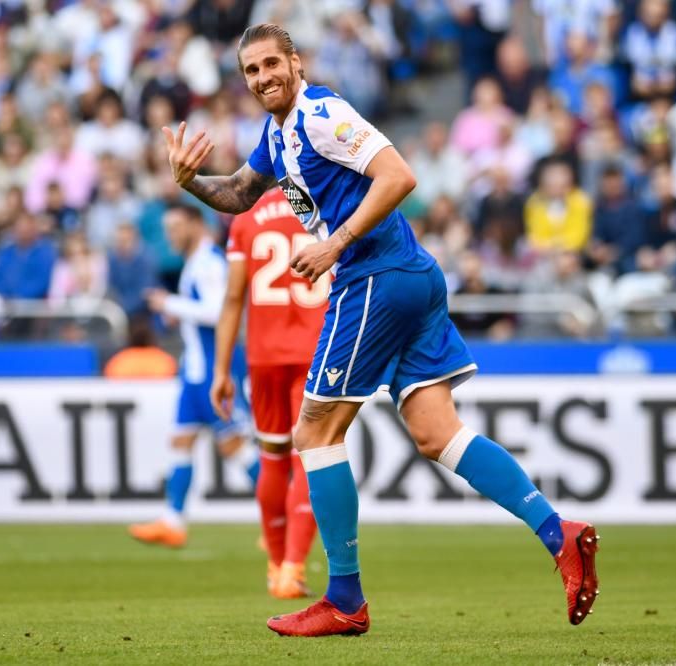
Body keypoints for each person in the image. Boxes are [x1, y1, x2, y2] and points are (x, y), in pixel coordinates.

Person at [160, 23, 600, 637]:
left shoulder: (320, 112)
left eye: (270, 65)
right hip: (408, 274)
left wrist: (334, 244)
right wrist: (189, 185)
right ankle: (562, 535)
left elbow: (399, 175)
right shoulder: (278, 134)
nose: (263, 79)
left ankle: (344, 598)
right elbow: (237, 193)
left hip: (374, 275)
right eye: (251, 72)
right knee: (435, 432)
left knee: (313, 432)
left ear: (296, 61)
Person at [210, 187, 327, 599]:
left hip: (262, 357)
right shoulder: (325, 206)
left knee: (273, 458)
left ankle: (275, 567)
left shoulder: (245, 217)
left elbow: (233, 298)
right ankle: (293, 568)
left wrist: (222, 369)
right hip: (316, 352)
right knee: (313, 459)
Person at [128, 204, 259, 549]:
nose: (170, 235)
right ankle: (173, 521)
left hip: (214, 370)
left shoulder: (210, 263)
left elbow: (219, 312)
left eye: (177, 227)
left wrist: (169, 305)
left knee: (234, 446)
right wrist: (178, 312)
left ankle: (284, 517)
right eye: (168, 228)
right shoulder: (196, 263)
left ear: (197, 224)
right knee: (181, 441)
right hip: (195, 370)